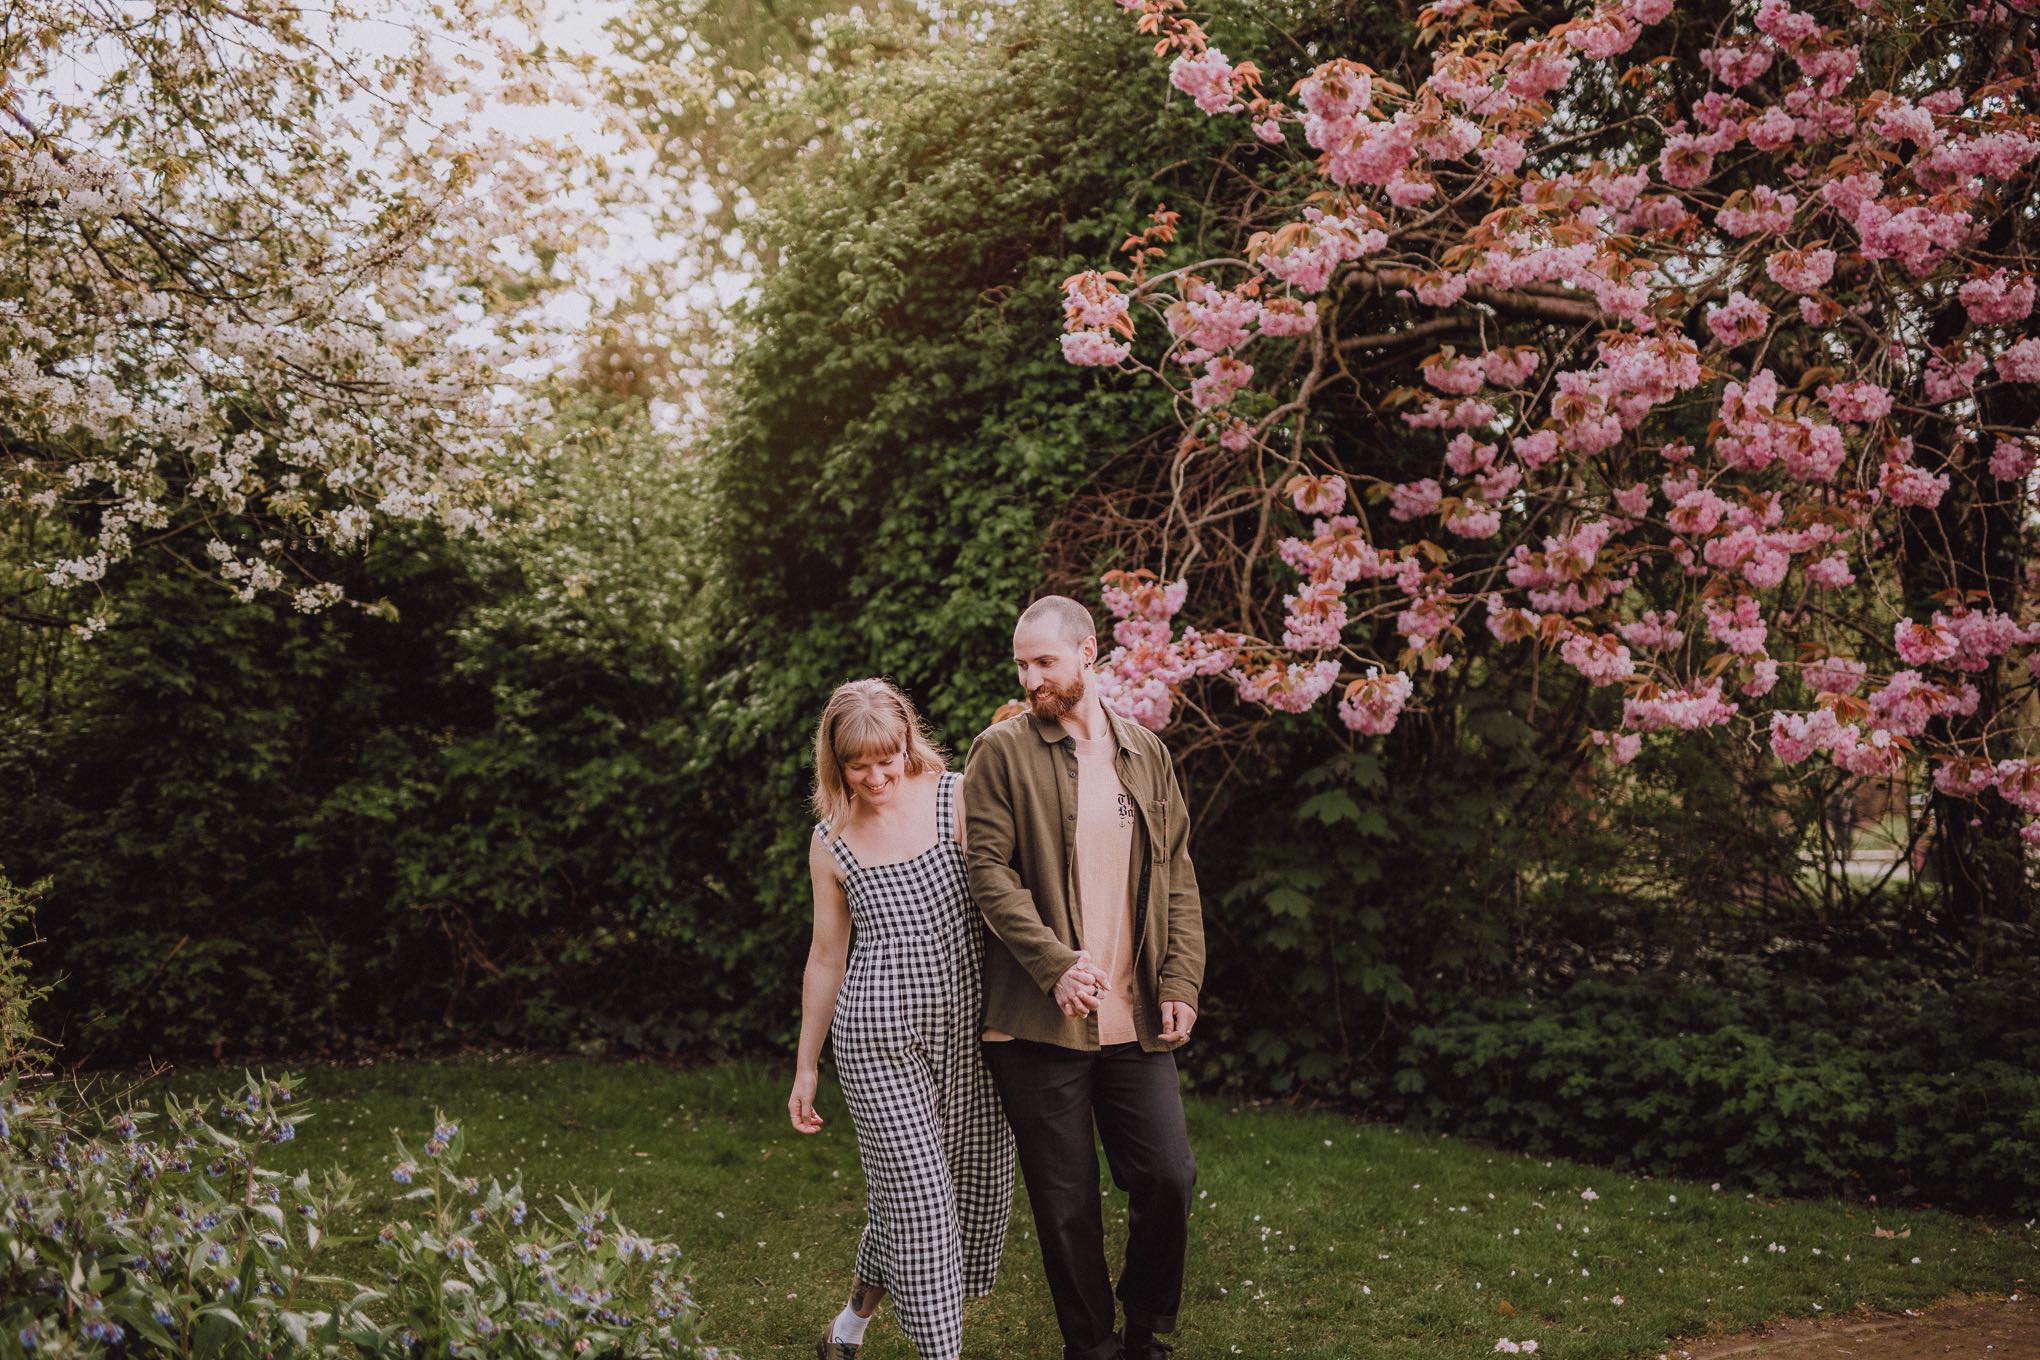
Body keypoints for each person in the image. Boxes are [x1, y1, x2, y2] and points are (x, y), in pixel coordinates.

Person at [963, 595, 1206, 1360]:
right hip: (1036, 1024)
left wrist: (1182, 981)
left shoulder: (1146, 752)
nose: (1031, 677)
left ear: (1088, 653)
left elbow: (1177, 874)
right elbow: (987, 871)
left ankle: (1145, 1332)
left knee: (1167, 1176)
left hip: (1133, 1019)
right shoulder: (1000, 751)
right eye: (1021, 664)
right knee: (1067, 1211)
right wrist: (1055, 963)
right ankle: (1092, 1348)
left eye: (1044, 662)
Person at [789, 679, 1015, 1360]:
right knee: (919, 1200)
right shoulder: (830, 842)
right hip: (877, 1037)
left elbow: (1007, 898)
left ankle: (848, 1328)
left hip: (970, 1030)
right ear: (837, 763)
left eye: (886, 760)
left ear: (906, 742)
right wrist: (806, 1065)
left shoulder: (957, 797)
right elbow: (827, 956)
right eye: (858, 766)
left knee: (955, 1193)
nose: (876, 776)